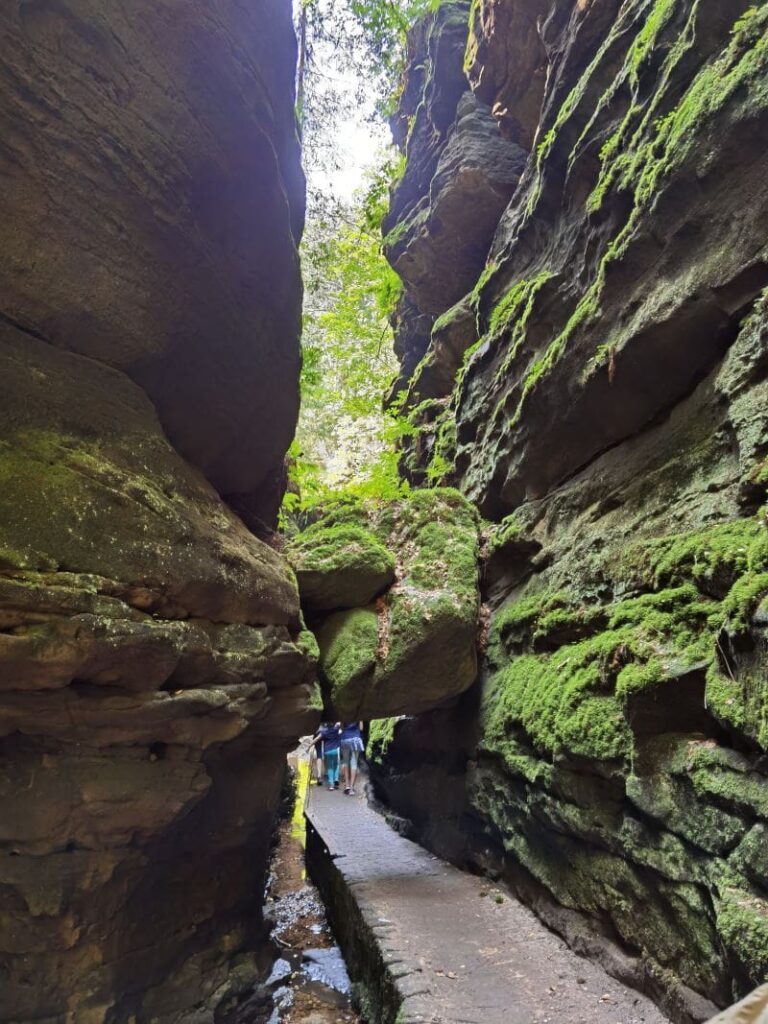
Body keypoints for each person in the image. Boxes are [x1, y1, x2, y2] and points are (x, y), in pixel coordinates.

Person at [339, 721, 364, 795]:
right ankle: (352, 787)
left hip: (345, 738)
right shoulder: (358, 714)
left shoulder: (344, 713)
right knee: (354, 763)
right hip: (356, 739)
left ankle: (347, 786)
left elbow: (341, 728)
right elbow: (361, 728)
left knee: (346, 762)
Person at [320, 721, 341, 790]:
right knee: (336, 765)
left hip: (327, 751)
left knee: (330, 768)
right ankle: (336, 779)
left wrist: (309, 746)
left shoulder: (324, 732)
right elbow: (340, 723)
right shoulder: (336, 729)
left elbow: (319, 738)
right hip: (335, 750)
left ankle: (331, 785)